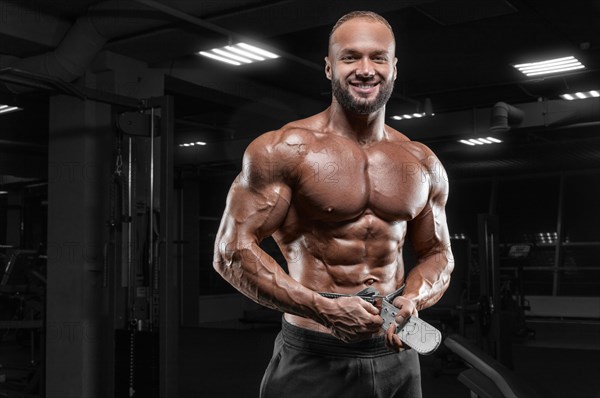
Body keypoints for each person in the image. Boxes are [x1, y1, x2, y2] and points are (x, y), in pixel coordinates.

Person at [213, 10, 454, 398]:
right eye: (350, 57)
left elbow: (438, 254)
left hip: (397, 356)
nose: (365, 69)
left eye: (377, 57)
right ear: (329, 68)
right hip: (313, 355)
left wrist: (413, 298)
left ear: (394, 68)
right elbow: (230, 252)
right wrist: (320, 307)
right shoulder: (283, 150)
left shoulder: (422, 161)